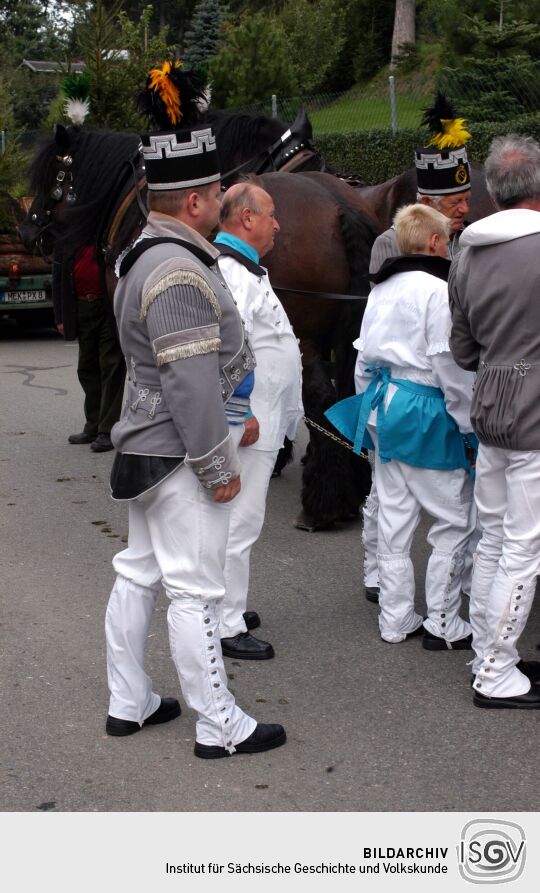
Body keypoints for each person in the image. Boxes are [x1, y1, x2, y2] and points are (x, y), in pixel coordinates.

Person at [104, 69, 287, 757]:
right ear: (195, 201)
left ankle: (129, 701)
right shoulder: (179, 269)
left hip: (148, 444)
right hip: (182, 453)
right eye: (214, 193)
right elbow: (190, 384)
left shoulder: (146, 253)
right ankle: (220, 724)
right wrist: (218, 465)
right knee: (194, 590)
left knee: (139, 572)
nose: (220, 200)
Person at [326, 204, 476, 648]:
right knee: (454, 518)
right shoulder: (438, 291)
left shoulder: (381, 289)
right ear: (434, 242)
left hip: (384, 407)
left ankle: (394, 619)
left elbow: (363, 360)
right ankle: (443, 621)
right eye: (445, 240)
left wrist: (370, 419)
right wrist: (467, 423)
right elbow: (448, 366)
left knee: (395, 517)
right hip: (426, 410)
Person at [364, 94, 475, 605]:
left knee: (405, 503)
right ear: (428, 206)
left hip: (419, 386)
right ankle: (382, 578)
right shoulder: (391, 246)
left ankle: (405, 605)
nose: (464, 209)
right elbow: (392, 330)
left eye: (466, 198)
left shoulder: (463, 237)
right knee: (406, 500)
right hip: (418, 387)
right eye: (455, 203)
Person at [449, 134, 540, 709]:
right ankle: (495, 671)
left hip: (490, 405)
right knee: (523, 549)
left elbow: (462, 350)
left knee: (495, 540)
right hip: (534, 412)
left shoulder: (466, 253)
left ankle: (488, 652)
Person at [213, 179, 303, 660]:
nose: (277, 225)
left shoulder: (246, 268)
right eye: (271, 215)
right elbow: (231, 345)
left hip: (264, 414)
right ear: (247, 218)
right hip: (252, 419)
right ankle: (225, 623)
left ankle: (228, 605)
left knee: (241, 520)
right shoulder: (232, 271)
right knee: (241, 521)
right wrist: (243, 410)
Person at [53, 242, 125, 451]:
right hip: (81, 307)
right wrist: (60, 317)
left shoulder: (107, 235)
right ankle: (93, 425)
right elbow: (58, 278)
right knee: (86, 368)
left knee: (111, 365)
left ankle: (107, 430)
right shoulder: (67, 240)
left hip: (107, 306)